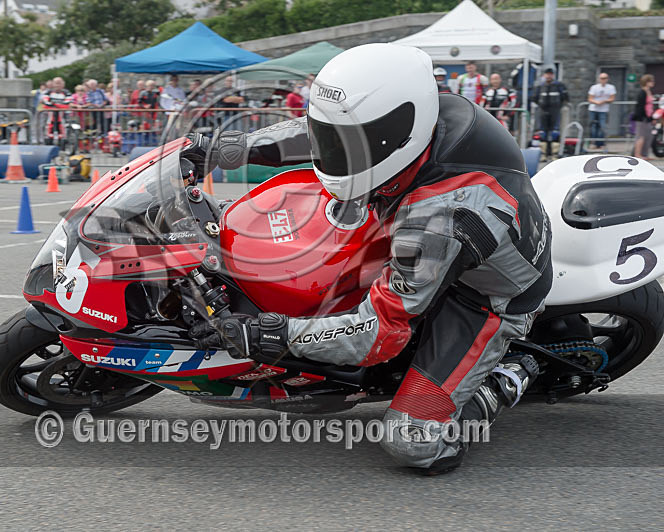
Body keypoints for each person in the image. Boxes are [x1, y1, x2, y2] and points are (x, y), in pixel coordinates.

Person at [184, 44, 550, 475]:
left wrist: (271, 333)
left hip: (483, 296)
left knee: (413, 442)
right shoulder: (416, 116)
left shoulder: (439, 215)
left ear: (390, 134)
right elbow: (320, 133)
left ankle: (504, 379)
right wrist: (224, 148)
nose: (329, 148)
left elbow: (379, 336)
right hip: (426, 233)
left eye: (344, 140)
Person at [532, 67, 569, 159]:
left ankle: (554, 154)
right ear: (544, 75)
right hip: (543, 111)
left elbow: (566, 98)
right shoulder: (540, 86)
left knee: (555, 132)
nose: (548, 76)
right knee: (542, 132)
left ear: (553, 75)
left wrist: (559, 106)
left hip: (555, 111)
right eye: (547, 74)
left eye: (550, 74)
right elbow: (534, 98)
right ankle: (543, 155)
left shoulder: (559, 85)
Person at [587, 73, 616, 150]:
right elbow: (590, 98)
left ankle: (600, 143)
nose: (603, 80)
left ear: (607, 79)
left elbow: (612, 98)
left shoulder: (611, 87)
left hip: (603, 110)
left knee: (602, 126)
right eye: (602, 78)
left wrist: (604, 101)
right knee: (593, 126)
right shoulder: (594, 87)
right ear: (599, 79)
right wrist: (596, 102)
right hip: (593, 109)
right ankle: (593, 143)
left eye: (605, 78)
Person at [632, 74, 656, 159]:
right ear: (646, 82)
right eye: (651, 81)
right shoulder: (642, 92)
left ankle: (645, 154)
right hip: (642, 118)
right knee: (641, 136)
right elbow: (641, 106)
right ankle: (637, 154)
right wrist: (644, 117)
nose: (653, 82)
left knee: (648, 136)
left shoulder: (648, 91)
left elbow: (650, 107)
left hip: (648, 117)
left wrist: (652, 117)